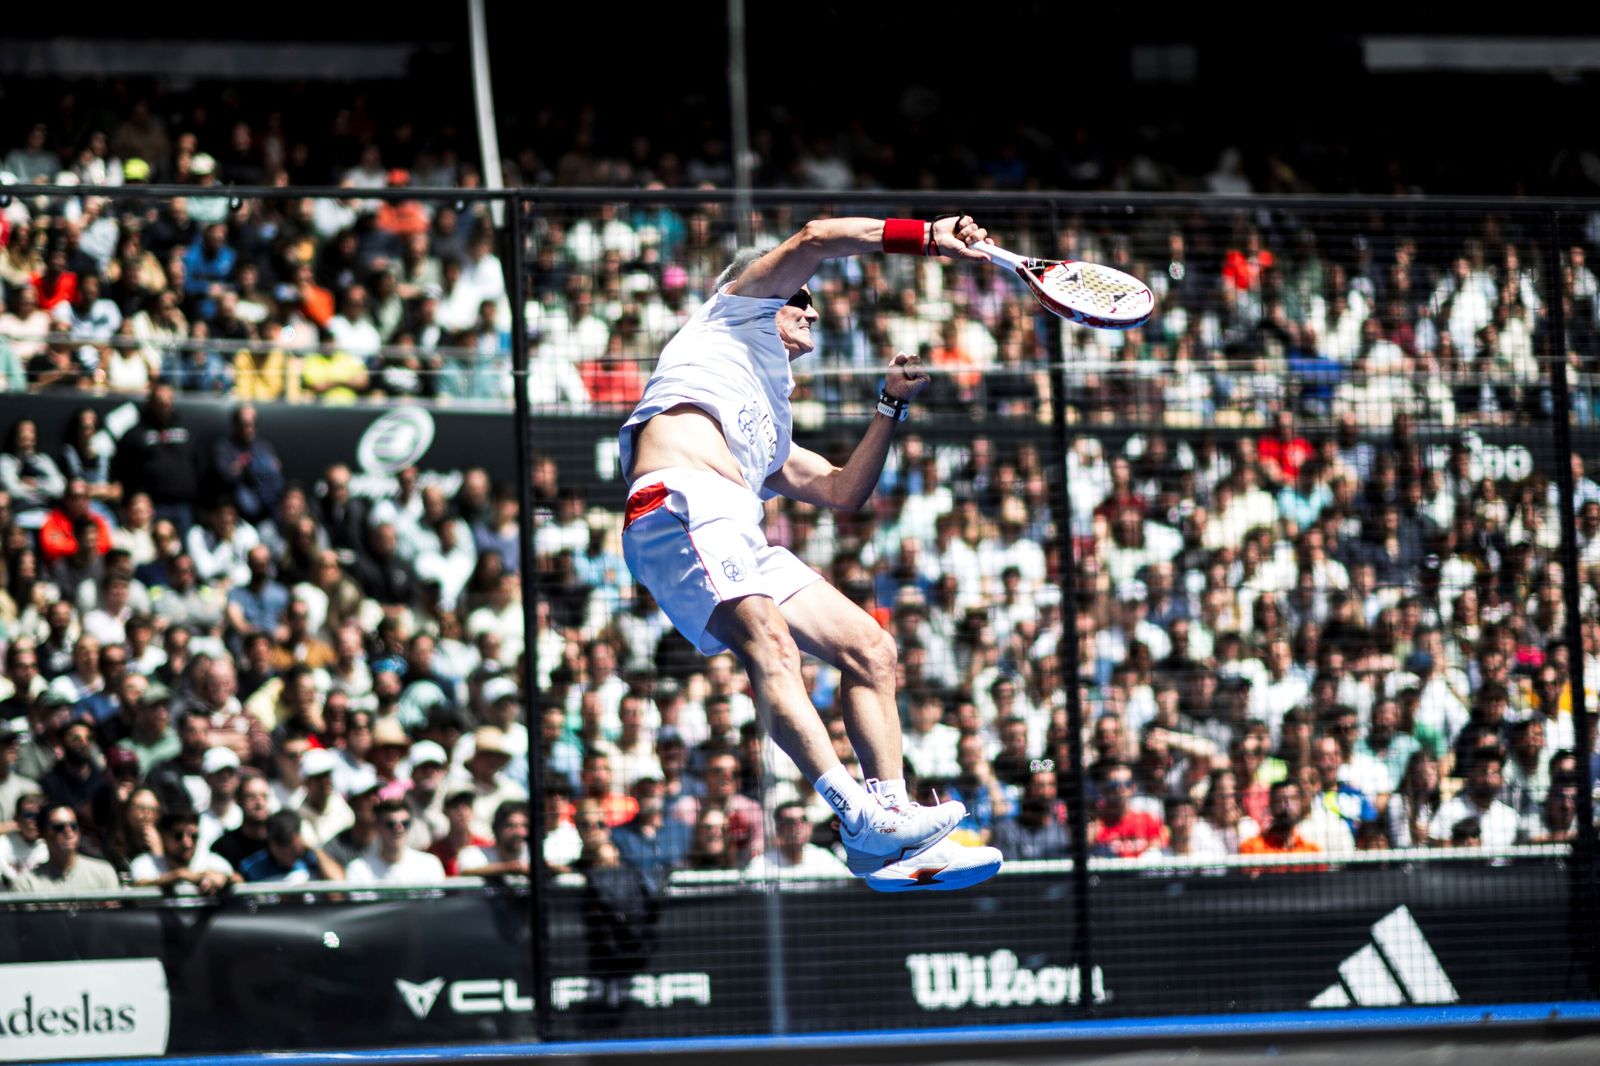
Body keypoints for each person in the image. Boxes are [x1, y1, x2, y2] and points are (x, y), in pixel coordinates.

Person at [618, 213, 1001, 893]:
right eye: (800, 299)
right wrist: (931, 235)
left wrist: (890, 405)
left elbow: (841, 491)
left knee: (871, 650)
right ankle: (854, 814)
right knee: (771, 644)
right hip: (677, 502)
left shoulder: (765, 413)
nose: (810, 309)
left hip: (736, 521)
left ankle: (889, 829)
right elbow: (819, 236)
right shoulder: (726, 319)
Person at [10, 802, 121, 894]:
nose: (68, 832)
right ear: (43, 833)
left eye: (73, 826)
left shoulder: (103, 873)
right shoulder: (27, 884)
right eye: (59, 827)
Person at [129, 810, 235, 895]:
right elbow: (140, 884)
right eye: (178, 836)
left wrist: (224, 878)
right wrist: (179, 875)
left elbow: (238, 880)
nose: (187, 843)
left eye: (193, 836)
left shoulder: (209, 860)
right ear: (163, 836)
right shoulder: (144, 863)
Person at [345, 800, 447, 883]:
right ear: (377, 827)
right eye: (390, 824)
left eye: (405, 823)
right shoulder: (358, 870)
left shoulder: (429, 865)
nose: (399, 829)